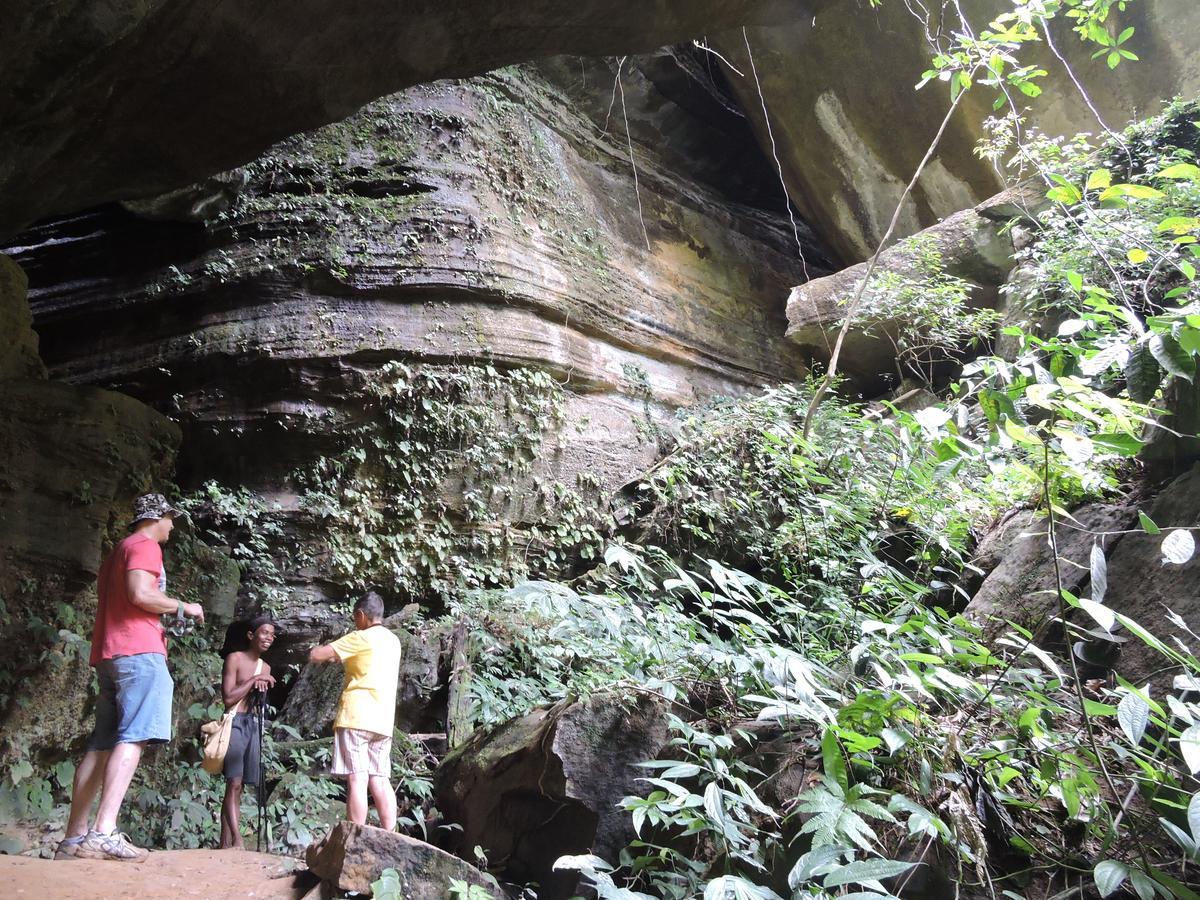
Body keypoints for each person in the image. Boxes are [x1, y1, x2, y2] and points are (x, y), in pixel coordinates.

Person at [56, 493, 205, 861]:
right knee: (134, 735)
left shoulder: (117, 552)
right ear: (158, 517)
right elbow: (141, 593)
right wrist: (185, 607)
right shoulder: (145, 545)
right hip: (138, 653)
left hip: (110, 653)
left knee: (102, 743)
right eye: (171, 519)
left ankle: (73, 838)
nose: (172, 527)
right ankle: (104, 833)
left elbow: (129, 599)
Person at [308, 591, 401, 830]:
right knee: (380, 779)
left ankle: (355, 836)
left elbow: (317, 655)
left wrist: (319, 648)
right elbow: (368, 663)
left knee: (357, 777)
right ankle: (391, 834)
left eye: (354, 618)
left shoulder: (360, 638)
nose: (354, 623)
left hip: (356, 717)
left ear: (361, 615)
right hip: (383, 721)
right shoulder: (393, 640)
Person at [218, 615, 277, 849]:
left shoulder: (267, 667)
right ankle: (238, 841)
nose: (269, 638)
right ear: (251, 635)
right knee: (233, 782)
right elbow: (228, 697)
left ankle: (225, 842)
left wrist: (262, 688)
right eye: (264, 633)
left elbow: (257, 698)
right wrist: (254, 680)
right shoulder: (234, 659)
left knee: (239, 785)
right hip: (234, 722)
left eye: (272, 635)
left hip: (252, 724)